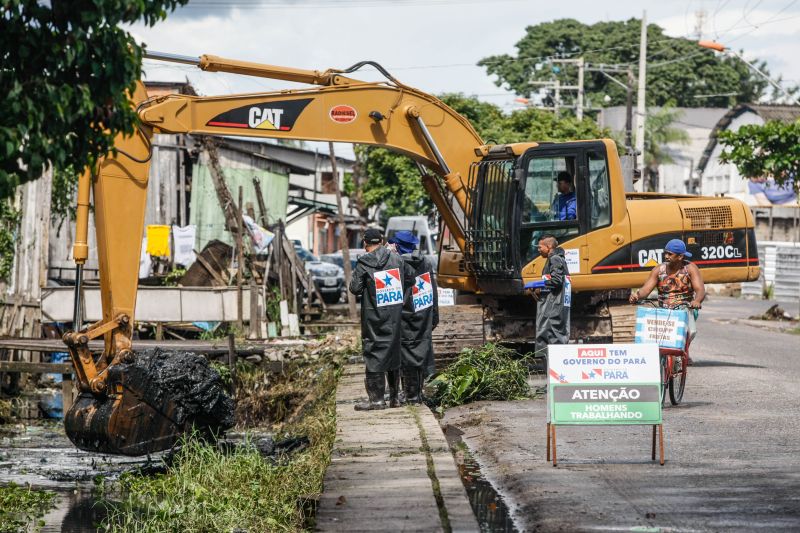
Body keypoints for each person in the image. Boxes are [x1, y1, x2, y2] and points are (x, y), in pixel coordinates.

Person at [349, 228, 405, 410]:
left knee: (374, 352)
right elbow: (404, 284)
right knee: (393, 351)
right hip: (394, 315)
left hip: (373, 316)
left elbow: (355, 288)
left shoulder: (364, 262)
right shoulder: (397, 259)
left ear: (365, 243)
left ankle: (377, 400)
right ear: (381, 241)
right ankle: (395, 399)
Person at [629, 238, 705, 348]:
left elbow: (700, 290)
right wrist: (637, 296)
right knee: (654, 334)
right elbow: (646, 290)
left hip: (685, 308)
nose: (666, 257)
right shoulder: (658, 270)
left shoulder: (690, 269)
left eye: (670, 254)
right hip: (663, 309)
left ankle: (683, 352)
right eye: (666, 253)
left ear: (680, 256)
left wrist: (697, 301)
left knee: (688, 332)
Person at [392, 230, 439, 404]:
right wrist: (434, 315)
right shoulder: (425, 262)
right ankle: (416, 394)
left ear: (397, 245)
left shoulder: (395, 263)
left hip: (402, 315)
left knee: (403, 354)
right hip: (423, 313)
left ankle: (408, 394)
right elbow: (432, 289)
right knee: (420, 352)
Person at [531, 235, 571, 358]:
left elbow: (556, 281)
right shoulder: (556, 259)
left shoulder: (555, 259)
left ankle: (553, 366)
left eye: (540, 247)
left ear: (548, 247)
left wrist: (539, 285)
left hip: (553, 306)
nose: (538, 249)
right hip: (553, 303)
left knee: (552, 334)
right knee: (551, 334)